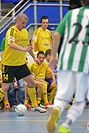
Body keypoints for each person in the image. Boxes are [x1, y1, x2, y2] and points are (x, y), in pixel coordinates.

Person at [0, 13, 47, 117]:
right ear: (17, 21)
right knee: (5, 87)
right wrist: (23, 49)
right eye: (22, 23)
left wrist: (34, 57)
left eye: (25, 23)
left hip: (20, 64)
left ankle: (34, 105)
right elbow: (11, 45)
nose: (24, 25)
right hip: (9, 64)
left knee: (31, 82)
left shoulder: (25, 31)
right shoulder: (11, 31)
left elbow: (28, 46)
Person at [47, 0, 89, 132]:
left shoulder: (71, 14)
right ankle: (66, 126)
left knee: (62, 95)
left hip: (65, 60)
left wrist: (53, 56)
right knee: (80, 100)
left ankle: (57, 109)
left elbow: (57, 34)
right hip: (84, 62)